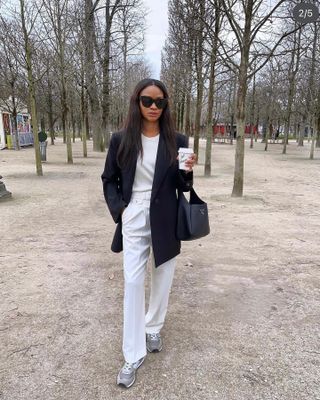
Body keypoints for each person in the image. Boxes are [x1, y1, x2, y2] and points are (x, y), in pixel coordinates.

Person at [101, 78, 196, 388]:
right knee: (132, 281)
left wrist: (188, 171)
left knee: (163, 273)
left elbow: (184, 186)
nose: (154, 106)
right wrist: (121, 209)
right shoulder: (120, 140)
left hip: (167, 215)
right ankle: (132, 354)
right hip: (134, 215)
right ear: (137, 102)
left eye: (160, 101)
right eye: (147, 100)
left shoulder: (177, 140)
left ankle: (153, 326)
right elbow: (109, 179)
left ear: (166, 105)